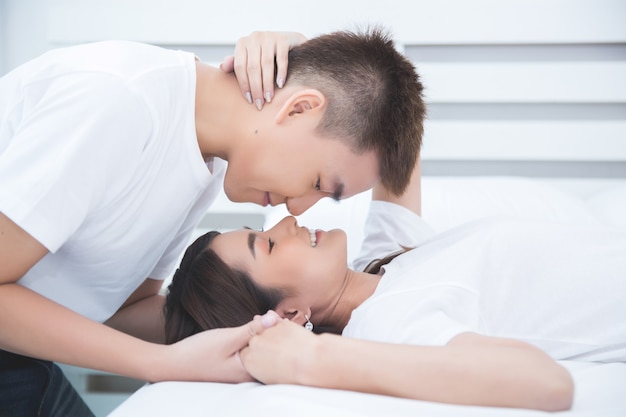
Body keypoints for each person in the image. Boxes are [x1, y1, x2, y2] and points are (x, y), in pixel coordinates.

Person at [0, 27, 426, 417]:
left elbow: (124, 309)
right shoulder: (120, 102)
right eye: (317, 183)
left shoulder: (203, 160)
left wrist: (258, 326)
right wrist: (162, 364)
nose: (298, 211)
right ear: (299, 109)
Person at [163, 155, 626, 412]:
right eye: (266, 245)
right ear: (287, 316)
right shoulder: (388, 322)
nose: (284, 222)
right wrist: (312, 358)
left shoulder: (381, 265)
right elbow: (548, 385)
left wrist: (288, 55)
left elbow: (395, 118)